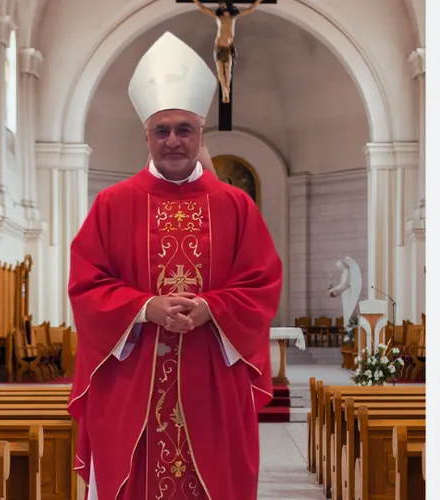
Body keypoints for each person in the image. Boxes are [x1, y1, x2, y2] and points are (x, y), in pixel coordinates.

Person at [67, 32, 282, 500]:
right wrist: (147, 308)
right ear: (146, 135)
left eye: (184, 129)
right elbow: (86, 285)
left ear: (201, 134)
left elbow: (262, 283)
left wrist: (210, 307)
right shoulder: (112, 203)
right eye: (161, 130)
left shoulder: (236, 206)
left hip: (212, 383)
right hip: (133, 383)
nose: (173, 140)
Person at [192, 0, 265, 103]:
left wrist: (257, 2)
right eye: (222, 8)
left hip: (228, 47)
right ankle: (225, 92)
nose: (224, 11)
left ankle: (227, 91)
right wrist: (196, 1)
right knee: (220, 71)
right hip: (219, 47)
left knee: (228, 70)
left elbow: (249, 10)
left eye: (225, 8)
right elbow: (203, 9)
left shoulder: (233, 17)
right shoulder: (218, 18)